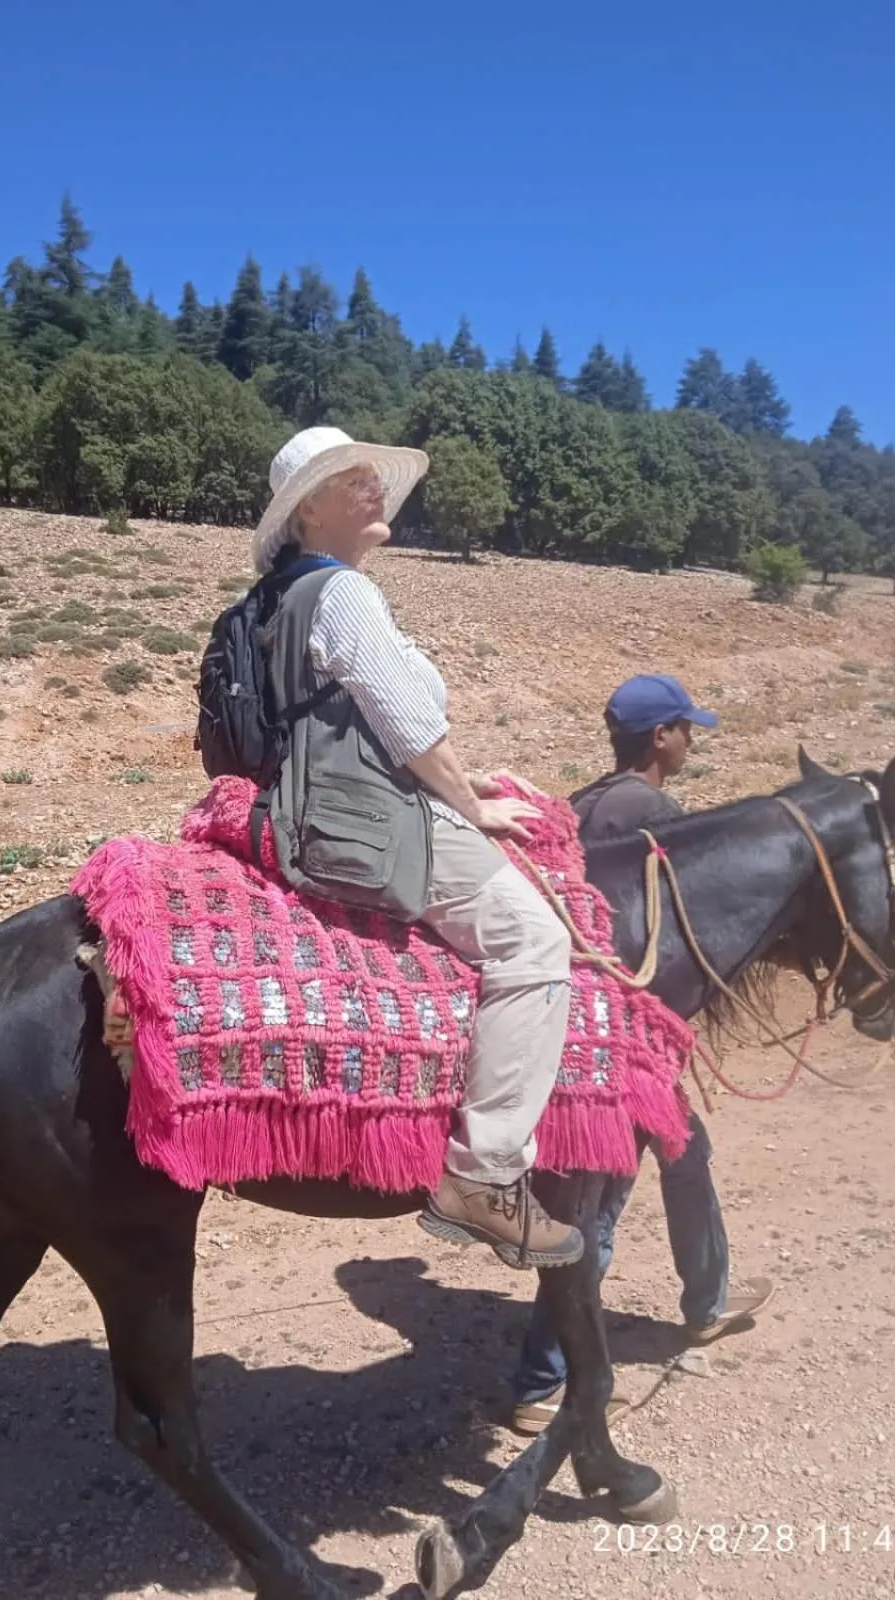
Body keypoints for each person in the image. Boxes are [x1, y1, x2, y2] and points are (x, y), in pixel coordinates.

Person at [252, 425, 581, 1270]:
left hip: (302, 810)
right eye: (352, 481)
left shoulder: (271, 600)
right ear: (310, 510)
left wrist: (469, 781)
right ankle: (486, 1173)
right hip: (371, 821)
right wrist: (474, 806)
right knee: (535, 939)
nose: (375, 490)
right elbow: (408, 726)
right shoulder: (343, 594)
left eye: (374, 478)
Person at [510, 674, 773, 1433]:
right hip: (622, 1044)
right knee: (597, 1205)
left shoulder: (589, 801)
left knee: (686, 1153)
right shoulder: (654, 817)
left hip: (595, 1029)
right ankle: (541, 1382)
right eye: (687, 729)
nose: (692, 741)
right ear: (660, 737)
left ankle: (707, 1301)